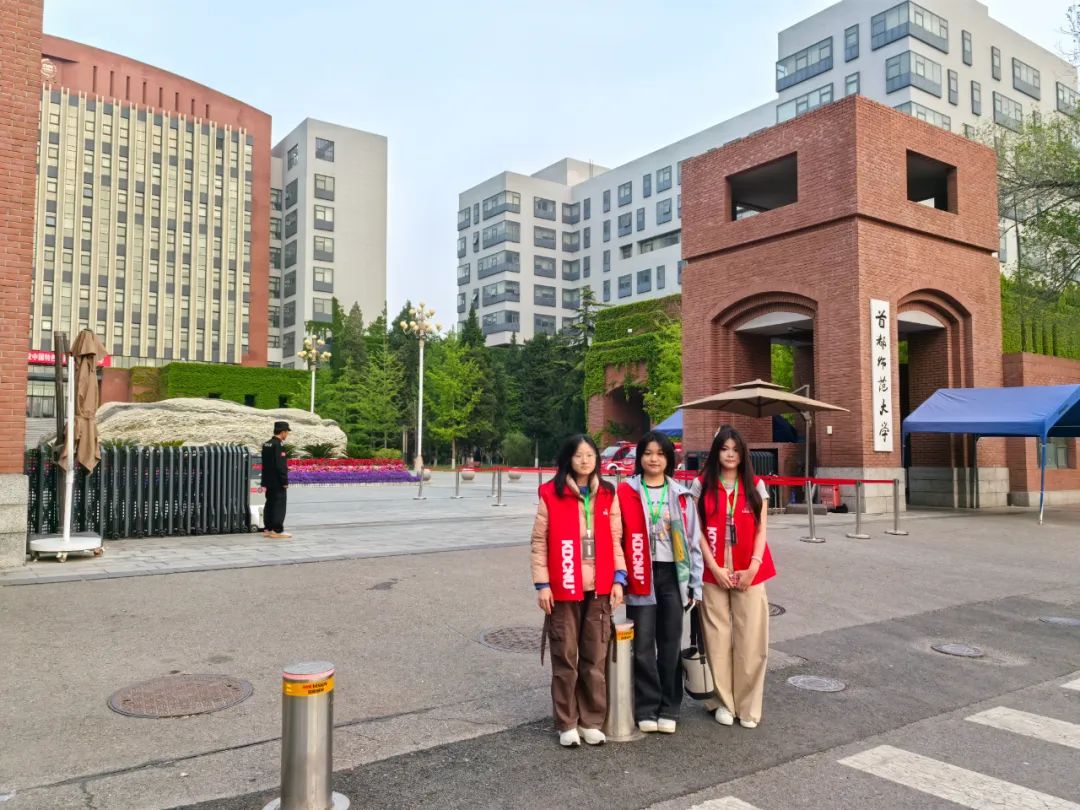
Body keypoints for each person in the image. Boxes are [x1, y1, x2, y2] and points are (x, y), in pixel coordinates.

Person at [531, 434, 627, 748]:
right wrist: (543, 584)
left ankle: (591, 721)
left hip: (599, 588)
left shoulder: (608, 493)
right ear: (568, 459)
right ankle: (567, 722)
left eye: (590, 455)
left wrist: (619, 579)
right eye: (578, 455)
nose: (585, 461)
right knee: (565, 656)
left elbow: (616, 540)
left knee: (595, 656)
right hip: (563, 587)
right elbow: (539, 542)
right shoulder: (551, 493)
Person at [617, 431, 703, 734]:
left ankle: (669, 706)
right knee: (642, 646)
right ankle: (646, 707)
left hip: (672, 575)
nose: (654, 459)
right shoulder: (626, 492)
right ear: (639, 457)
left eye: (661, 454)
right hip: (640, 573)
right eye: (648, 453)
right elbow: (616, 537)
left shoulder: (681, 495)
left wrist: (695, 584)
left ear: (670, 459)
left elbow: (693, 541)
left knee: (669, 644)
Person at [692, 425, 776, 729]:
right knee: (716, 639)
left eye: (735, 449)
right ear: (716, 452)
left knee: (751, 638)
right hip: (712, 568)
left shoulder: (756, 485)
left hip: (749, 568)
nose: (730, 455)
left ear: (743, 454)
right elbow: (696, 530)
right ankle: (723, 702)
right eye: (725, 449)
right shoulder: (701, 485)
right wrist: (714, 568)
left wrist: (753, 566)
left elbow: (761, 529)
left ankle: (748, 706)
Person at [261, 421, 291, 539]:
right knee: (279, 505)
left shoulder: (267, 444)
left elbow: (268, 463)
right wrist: (284, 481)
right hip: (278, 481)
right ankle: (277, 530)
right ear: (283, 432)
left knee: (269, 503)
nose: (287, 434)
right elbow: (280, 465)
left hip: (268, 480)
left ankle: (268, 529)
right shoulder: (279, 445)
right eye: (287, 432)